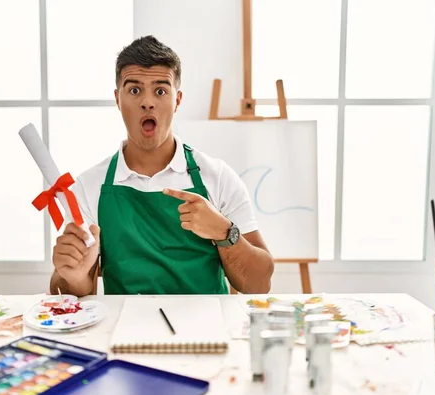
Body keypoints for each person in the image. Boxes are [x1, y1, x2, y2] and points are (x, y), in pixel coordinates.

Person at [50, 36, 274, 296]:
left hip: (206, 333)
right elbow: (64, 294)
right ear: (117, 99)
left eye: (160, 91)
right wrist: (73, 277)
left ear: (177, 100)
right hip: (124, 333)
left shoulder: (218, 177)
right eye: (134, 90)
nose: (148, 102)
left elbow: (259, 285)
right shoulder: (88, 187)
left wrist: (225, 233)